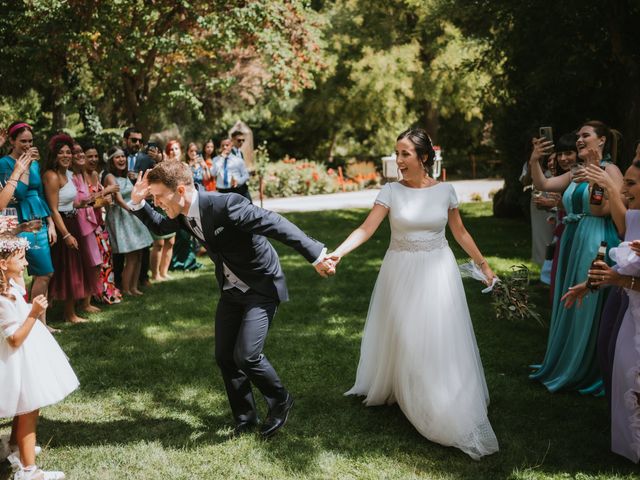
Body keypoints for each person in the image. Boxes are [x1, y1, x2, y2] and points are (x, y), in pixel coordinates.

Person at [128, 160, 334, 438]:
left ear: (179, 190)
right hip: (231, 287)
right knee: (225, 356)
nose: (156, 202)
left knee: (247, 356)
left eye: (157, 197)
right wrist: (139, 203)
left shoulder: (226, 205)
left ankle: (280, 399)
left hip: (261, 283)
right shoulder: (181, 211)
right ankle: (245, 418)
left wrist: (316, 255)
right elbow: (161, 227)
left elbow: (274, 223)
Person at [328, 128, 499, 460]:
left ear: (424, 157)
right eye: (397, 154)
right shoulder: (390, 191)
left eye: (405, 154)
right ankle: (408, 391)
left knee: (435, 336)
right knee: (406, 335)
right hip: (400, 271)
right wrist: (338, 253)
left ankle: (438, 396)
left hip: (438, 270)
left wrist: (484, 266)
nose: (398, 160)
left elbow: (460, 232)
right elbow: (366, 228)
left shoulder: (445, 191)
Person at [529, 120, 623, 394]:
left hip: (596, 239)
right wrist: (535, 159)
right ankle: (565, 361)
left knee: (586, 305)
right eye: (578, 135)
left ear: (602, 141)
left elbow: (598, 211)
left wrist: (595, 175)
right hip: (574, 238)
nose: (579, 139)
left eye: (586, 135)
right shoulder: (576, 171)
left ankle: (586, 368)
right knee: (568, 297)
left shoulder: (611, 170)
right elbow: (544, 182)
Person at [0, 234, 78, 480]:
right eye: (20, 258)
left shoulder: (10, 285)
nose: (25, 264)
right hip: (17, 358)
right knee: (28, 408)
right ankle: (28, 471)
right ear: (3, 263)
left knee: (27, 407)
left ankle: (14, 446)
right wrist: (34, 313)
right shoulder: (2, 299)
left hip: (27, 355)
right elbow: (13, 339)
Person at [0, 122, 55, 329]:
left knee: (46, 273)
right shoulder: (5, 163)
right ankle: (29, 321)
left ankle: (42, 322)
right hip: (18, 220)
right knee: (28, 273)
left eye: (30, 141)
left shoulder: (34, 163)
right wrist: (22, 168)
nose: (27, 144)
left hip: (39, 217)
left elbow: (39, 192)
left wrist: (50, 222)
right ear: (12, 141)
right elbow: (18, 194)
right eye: (23, 141)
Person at [43, 134, 100, 324]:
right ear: (54, 155)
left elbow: (69, 202)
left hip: (73, 220)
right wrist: (66, 234)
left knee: (75, 268)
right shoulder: (51, 176)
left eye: (69, 152)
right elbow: (53, 208)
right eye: (62, 152)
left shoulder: (68, 174)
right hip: (62, 226)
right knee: (67, 269)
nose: (66, 155)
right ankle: (69, 315)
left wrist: (83, 204)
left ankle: (69, 311)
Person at [103, 148, 153, 296]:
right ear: (112, 160)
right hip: (122, 217)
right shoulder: (110, 177)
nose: (121, 160)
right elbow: (118, 199)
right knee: (131, 256)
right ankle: (126, 288)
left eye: (123, 157)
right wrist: (132, 210)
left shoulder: (126, 177)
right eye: (117, 157)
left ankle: (134, 287)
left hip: (132, 217)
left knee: (138, 255)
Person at [84, 144, 122, 304]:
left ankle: (106, 290)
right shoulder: (80, 177)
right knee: (95, 262)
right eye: (89, 156)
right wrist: (105, 195)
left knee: (106, 259)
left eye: (95, 156)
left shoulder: (95, 174)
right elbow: (85, 203)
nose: (93, 159)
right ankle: (94, 293)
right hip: (88, 224)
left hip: (101, 223)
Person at [71, 143, 102, 314]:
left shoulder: (83, 174)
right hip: (77, 223)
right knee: (82, 264)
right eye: (77, 153)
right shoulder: (71, 177)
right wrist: (105, 193)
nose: (81, 155)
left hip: (89, 222)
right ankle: (79, 302)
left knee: (94, 263)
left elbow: (88, 199)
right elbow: (80, 201)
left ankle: (86, 301)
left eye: (81, 151)